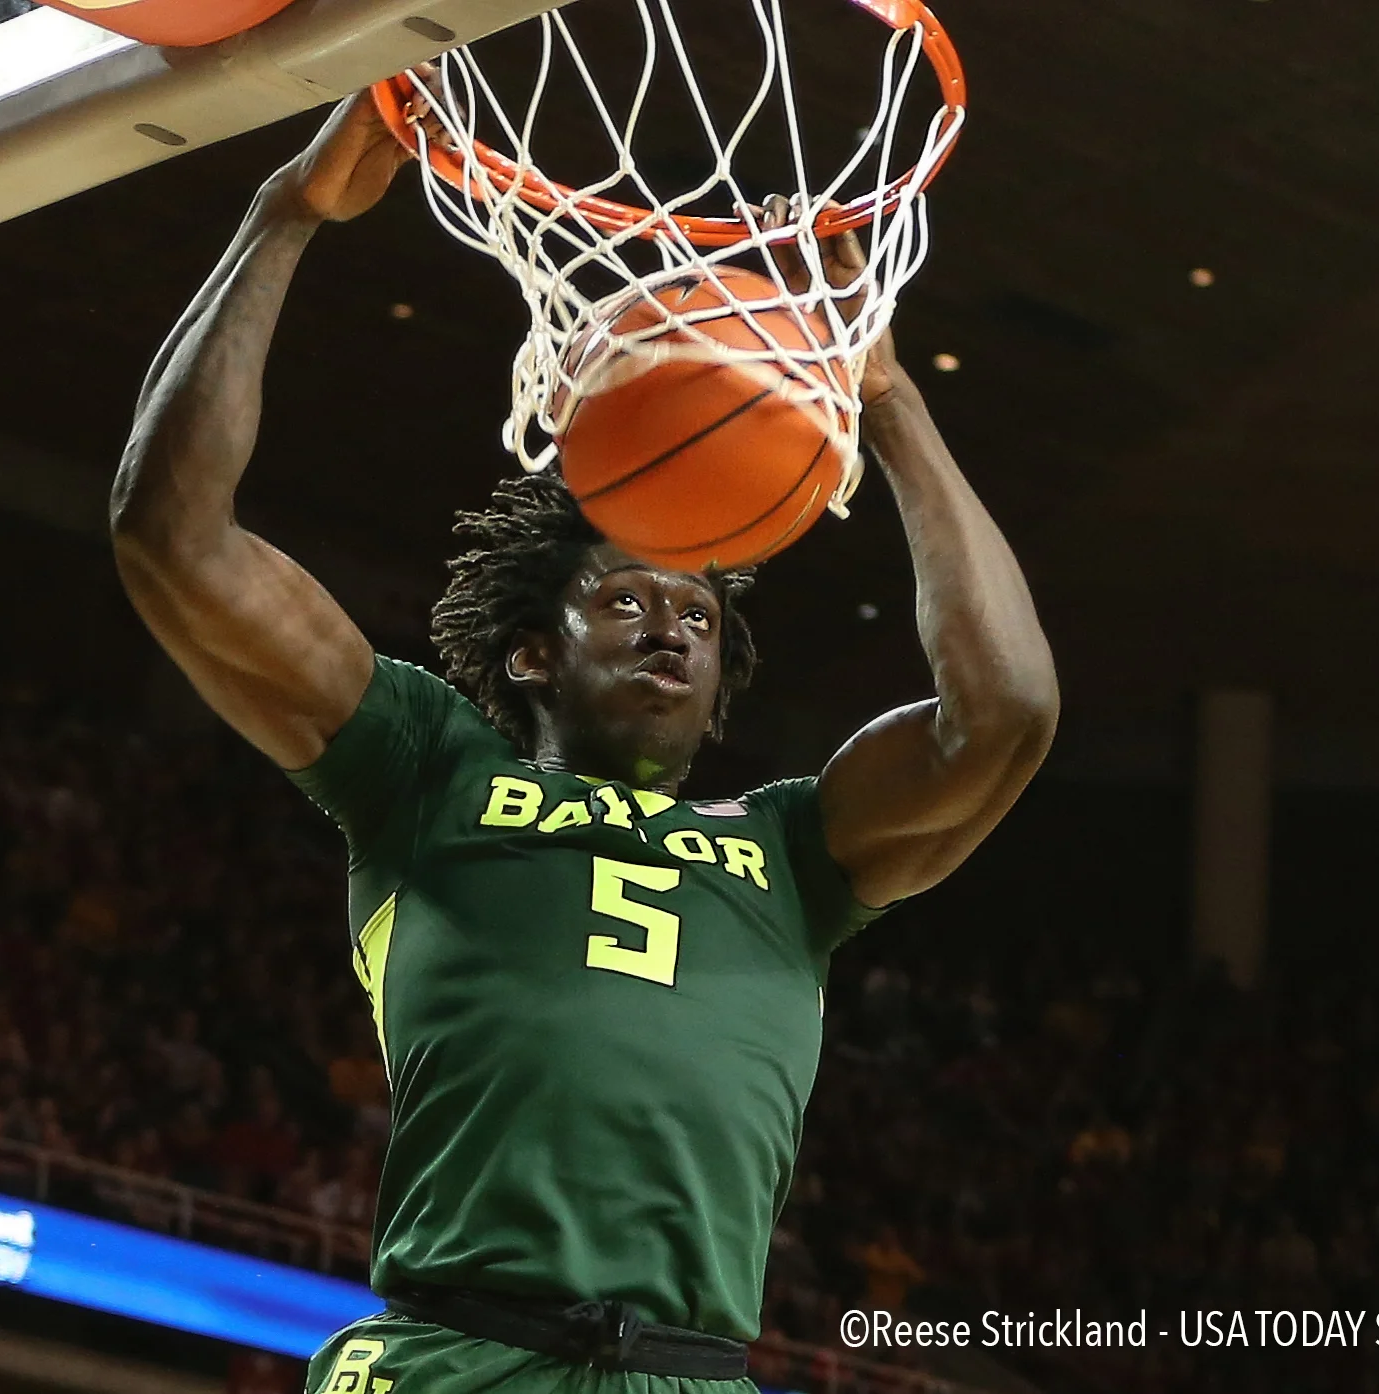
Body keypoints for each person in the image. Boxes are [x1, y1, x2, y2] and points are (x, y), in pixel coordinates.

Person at [110, 88, 1057, 1394]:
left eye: (697, 614)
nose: (671, 626)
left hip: (694, 1370)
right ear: (532, 650)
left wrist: (881, 395)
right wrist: (288, 215)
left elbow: (1005, 711)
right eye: (624, 598)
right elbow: (175, 538)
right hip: (457, 1353)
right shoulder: (427, 768)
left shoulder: (794, 850)